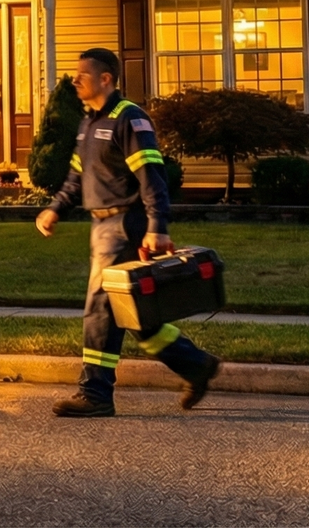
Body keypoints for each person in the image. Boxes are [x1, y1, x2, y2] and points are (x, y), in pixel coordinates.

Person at [36, 48, 221, 417]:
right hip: (101, 225)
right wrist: (56, 208)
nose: (75, 80)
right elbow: (76, 177)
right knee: (135, 314)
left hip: (125, 224)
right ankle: (195, 365)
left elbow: (151, 176)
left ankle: (95, 394)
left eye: (82, 75)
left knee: (100, 309)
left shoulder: (129, 119)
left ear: (105, 79)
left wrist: (157, 226)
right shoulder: (88, 123)